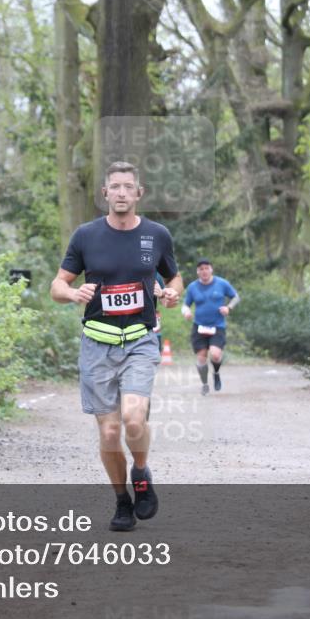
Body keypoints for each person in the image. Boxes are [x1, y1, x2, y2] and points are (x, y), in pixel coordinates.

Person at [50, 161, 183, 531]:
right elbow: (57, 285)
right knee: (109, 432)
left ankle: (141, 474)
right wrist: (74, 292)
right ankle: (122, 500)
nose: (122, 193)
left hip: (140, 340)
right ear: (105, 193)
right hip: (97, 344)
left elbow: (174, 276)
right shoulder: (86, 236)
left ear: (139, 194)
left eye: (128, 187)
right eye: (115, 187)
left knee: (133, 419)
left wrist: (172, 292)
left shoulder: (157, 235)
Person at [182, 259, 239, 395]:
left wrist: (228, 307)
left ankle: (216, 373)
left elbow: (235, 297)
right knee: (201, 358)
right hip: (199, 327)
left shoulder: (222, 283)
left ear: (211, 270)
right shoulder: (192, 287)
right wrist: (186, 312)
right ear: (197, 272)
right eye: (201, 269)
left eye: (206, 268)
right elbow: (185, 304)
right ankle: (204, 383)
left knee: (215, 354)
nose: (204, 271)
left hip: (217, 326)